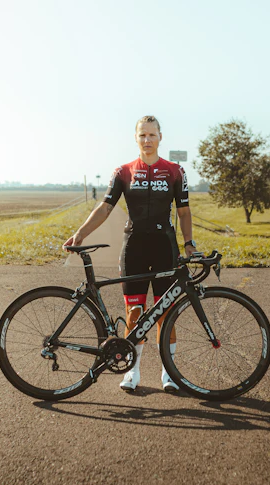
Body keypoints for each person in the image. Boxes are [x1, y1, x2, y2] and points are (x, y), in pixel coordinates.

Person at [62, 115, 198, 392]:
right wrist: (81, 234)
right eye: (142, 135)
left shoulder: (175, 171)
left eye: (152, 135)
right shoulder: (123, 171)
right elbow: (105, 207)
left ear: (161, 137)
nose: (147, 140)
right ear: (136, 138)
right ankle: (132, 373)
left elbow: (183, 211)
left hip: (165, 248)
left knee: (165, 312)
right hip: (134, 247)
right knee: (134, 312)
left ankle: (168, 374)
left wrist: (189, 243)